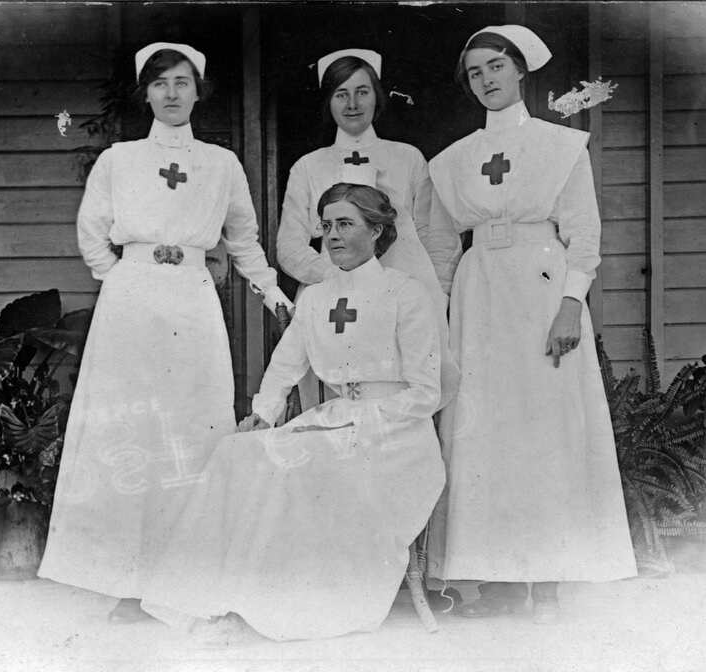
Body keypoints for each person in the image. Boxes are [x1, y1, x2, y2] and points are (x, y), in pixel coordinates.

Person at [38, 42, 292, 624]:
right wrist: (127, 282)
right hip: (131, 307)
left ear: (199, 91)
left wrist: (274, 294)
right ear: (145, 93)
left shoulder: (221, 164)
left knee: (189, 429)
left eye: (183, 82)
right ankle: (114, 577)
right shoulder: (119, 160)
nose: (173, 93)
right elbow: (92, 236)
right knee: (130, 426)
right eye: (161, 84)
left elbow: (243, 241)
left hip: (193, 306)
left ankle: (181, 582)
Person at [137, 181, 446, 642]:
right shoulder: (316, 298)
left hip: (395, 441)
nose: (333, 236)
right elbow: (284, 367)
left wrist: (361, 420)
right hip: (336, 426)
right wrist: (262, 416)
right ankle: (209, 598)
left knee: (300, 468)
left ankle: (277, 610)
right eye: (326, 226)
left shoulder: (405, 294)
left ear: (378, 231)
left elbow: (426, 393)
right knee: (235, 454)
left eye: (346, 224)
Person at [424, 25, 637, 624]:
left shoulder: (559, 146)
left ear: (521, 71)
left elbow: (583, 234)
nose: (487, 80)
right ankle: (494, 578)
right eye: (475, 72)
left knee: (543, 431)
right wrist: (440, 322)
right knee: (483, 432)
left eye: (496, 66)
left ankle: (547, 577)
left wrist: (572, 302)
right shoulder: (453, 161)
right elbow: (440, 252)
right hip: (477, 297)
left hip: (542, 291)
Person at [277, 49, 458, 412]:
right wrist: (335, 278)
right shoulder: (308, 167)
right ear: (328, 101)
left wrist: (437, 295)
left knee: (412, 398)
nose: (352, 103)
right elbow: (289, 246)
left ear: (377, 95)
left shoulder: (408, 157)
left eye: (362, 91)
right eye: (340, 93)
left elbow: (436, 235)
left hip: (406, 298)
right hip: (335, 302)